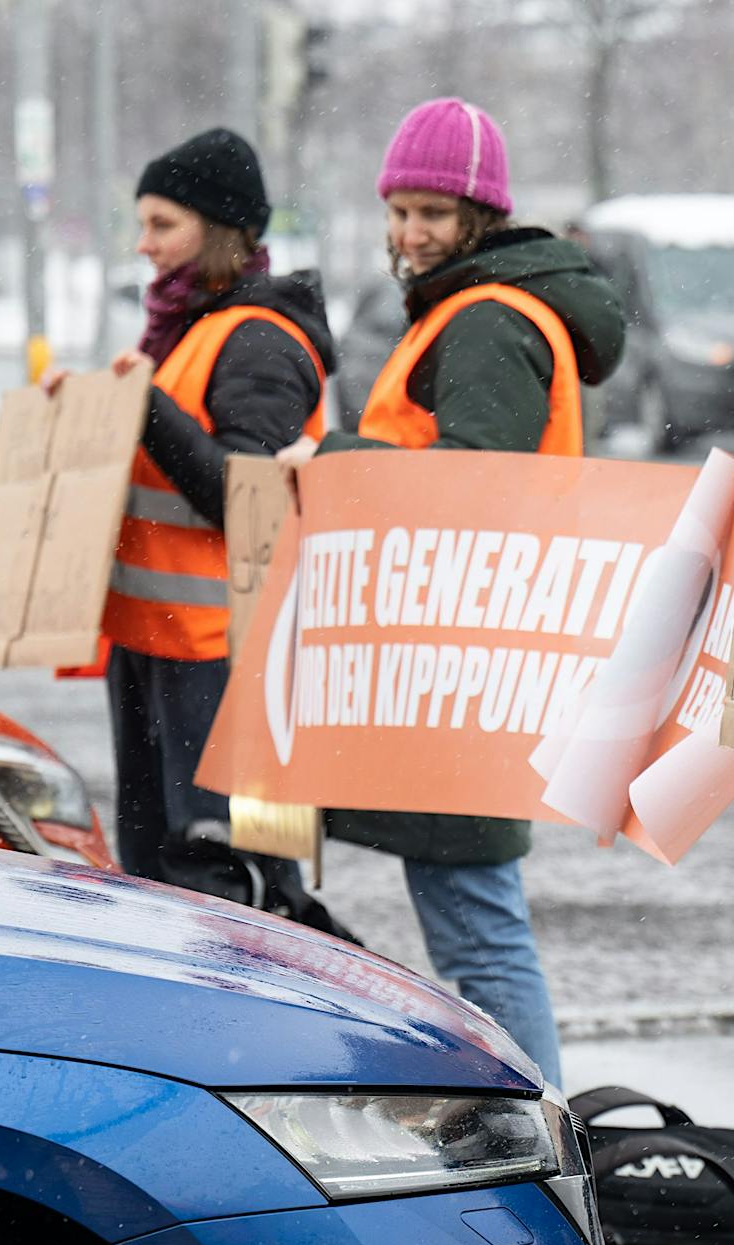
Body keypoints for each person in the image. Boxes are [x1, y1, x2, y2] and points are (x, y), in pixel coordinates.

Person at [289, 97, 626, 1087]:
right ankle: (522, 1119)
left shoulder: (485, 320)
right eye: (398, 210)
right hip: (458, 647)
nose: (409, 233)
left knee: (479, 928)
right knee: (470, 916)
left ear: (479, 215)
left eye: (432, 213)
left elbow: (476, 479)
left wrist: (329, 455)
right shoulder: (472, 307)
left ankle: (538, 1124)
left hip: (462, 658)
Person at [44, 127, 347, 935]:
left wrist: (146, 409)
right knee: (162, 882)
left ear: (222, 229)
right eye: (140, 224)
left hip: (222, 658)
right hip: (157, 648)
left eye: (162, 225)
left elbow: (243, 498)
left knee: (230, 886)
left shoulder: (260, 340)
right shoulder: (189, 327)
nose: (142, 246)